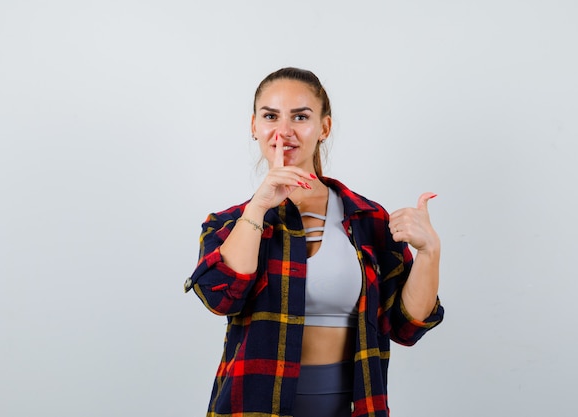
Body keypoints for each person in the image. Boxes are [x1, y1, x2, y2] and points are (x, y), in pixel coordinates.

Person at [184, 67, 444, 417]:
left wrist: (429, 252)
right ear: (254, 126)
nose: (284, 131)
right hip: (252, 408)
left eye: (301, 117)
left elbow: (406, 327)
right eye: (271, 116)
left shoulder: (368, 220)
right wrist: (260, 205)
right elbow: (220, 297)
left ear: (324, 127)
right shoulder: (228, 223)